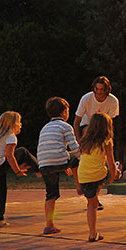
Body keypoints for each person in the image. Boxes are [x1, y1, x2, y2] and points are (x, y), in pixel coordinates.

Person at [0, 111, 38, 229]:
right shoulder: (10, 135)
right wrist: (17, 171)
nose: (21, 125)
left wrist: (16, 167)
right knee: (22, 151)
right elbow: (10, 155)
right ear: (13, 124)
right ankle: (40, 169)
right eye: (19, 122)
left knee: (1, 191)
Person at [36, 97, 81, 236]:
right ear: (64, 112)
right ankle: (80, 186)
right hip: (59, 160)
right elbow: (74, 148)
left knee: (51, 194)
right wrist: (83, 158)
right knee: (77, 158)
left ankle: (49, 226)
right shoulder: (66, 126)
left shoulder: (44, 127)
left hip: (44, 163)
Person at [73, 76, 119, 210]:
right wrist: (79, 142)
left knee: (105, 153)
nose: (99, 93)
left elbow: (110, 124)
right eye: (97, 89)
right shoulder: (86, 99)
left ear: (107, 90)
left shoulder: (113, 101)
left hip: (103, 130)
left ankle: (95, 198)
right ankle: (86, 190)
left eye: (102, 90)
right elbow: (77, 122)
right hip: (87, 129)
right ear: (93, 89)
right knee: (87, 129)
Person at [77, 112, 118, 242]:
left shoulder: (84, 140)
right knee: (113, 168)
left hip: (83, 176)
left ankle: (93, 233)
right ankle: (93, 234)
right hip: (98, 175)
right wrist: (114, 176)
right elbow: (111, 163)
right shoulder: (107, 141)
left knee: (91, 204)